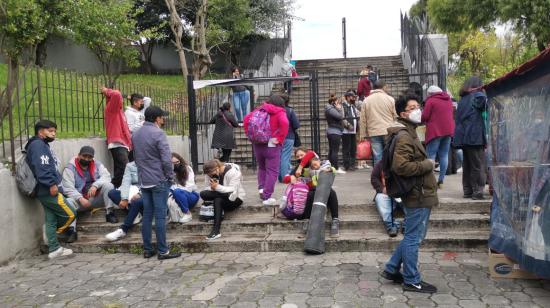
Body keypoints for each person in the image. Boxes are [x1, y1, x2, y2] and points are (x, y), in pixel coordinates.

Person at [380, 94, 439, 293]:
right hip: (417, 193)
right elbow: (401, 166)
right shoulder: (405, 135)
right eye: (412, 107)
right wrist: (427, 164)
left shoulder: (410, 131)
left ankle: (391, 268)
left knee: (412, 236)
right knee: (414, 237)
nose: (417, 110)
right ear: (403, 113)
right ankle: (411, 279)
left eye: (418, 106)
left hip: (418, 191)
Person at [132, 105, 181, 260]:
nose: (163, 119)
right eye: (162, 117)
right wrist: (170, 176)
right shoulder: (158, 133)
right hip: (159, 179)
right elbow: (166, 159)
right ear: (157, 118)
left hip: (144, 180)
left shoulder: (136, 134)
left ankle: (147, 249)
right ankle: (163, 251)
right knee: (160, 216)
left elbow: (137, 157)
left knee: (147, 215)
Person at [26, 120, 77, 259]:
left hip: (46, 189)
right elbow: (42, 168)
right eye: (50, 131)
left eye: (54, 131)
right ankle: (50, 234)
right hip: (47, 189)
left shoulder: (42, 144)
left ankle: (54, 248)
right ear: (40, 131)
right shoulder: (38, 145)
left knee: (51, 218)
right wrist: (51, 184)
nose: (53, 134)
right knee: (71, 213)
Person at [244, 95, 289, 206]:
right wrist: (280, 139)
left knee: (262, 167)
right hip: (272, 144)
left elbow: (246, 120)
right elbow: (285, 123)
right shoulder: (280, 112)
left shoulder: (259, 109)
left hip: (258, 144)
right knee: (272, 171)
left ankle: (261, 189)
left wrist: (250, 135)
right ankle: (267, 196)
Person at [284, 152, 340, 237]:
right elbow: (285, 178)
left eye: (302, 155)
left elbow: (333, 169)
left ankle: (335, 220)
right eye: (298, 156)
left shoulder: (324, 165)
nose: (300, 157)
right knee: (310, 194)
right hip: (313, 192)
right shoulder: (306, 170)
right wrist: (293, 178)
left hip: (325, 190)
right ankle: (307, 221)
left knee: (332, 192)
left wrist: (330, 170)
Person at [62, 145, 118, 223]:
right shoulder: (70, 168)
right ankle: (71, 229)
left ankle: (110, 213)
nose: (86, 159)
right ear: (78, 155)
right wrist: (80, 198)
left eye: (89, 157)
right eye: (84, 156)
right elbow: (68, 188)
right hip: (79, 201)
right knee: (68, 202)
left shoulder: (97, 164)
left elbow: (107, 176)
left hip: (95, 199)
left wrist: (95, 185)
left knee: (109, 186)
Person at [453, 76, 488, 200]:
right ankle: (478, 191)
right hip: (474, 136)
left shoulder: (463, 99)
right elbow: (488, 104)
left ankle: (467, 190)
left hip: (463, 137)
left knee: (467, 164)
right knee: (478, 165)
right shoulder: (478, 96)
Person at [200, 159, 246, 240]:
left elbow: (233, 190)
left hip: (235, 197)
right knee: (203, 194)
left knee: (218, 200)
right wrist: (212, 187)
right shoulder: (209, 174)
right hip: (222, 195)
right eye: (208, 175)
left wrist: (217, 187)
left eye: (211, 174)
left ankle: (216, 231)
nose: (210, 176)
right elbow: (206, 188)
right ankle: (216, 232)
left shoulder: (233, 172)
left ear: (217, 168)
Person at [421, 86, 455, 188]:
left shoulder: (431, 101)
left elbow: (424, 117)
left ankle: (430, 181)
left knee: (431, 155)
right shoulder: (448, 99)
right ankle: (441, 180)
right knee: (444, 155)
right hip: (448, 130)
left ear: (430, 94)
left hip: (435, 131)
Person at [104, 160, 144, 241]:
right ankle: (135, 213)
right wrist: (125, 198)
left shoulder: (154, 163)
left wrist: (140, 194)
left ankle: (123, 229)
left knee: (137, 201)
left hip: (146, 193)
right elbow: (125, 183)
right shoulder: (130, 165)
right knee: (112, 193)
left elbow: (155, 183)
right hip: (131, 193)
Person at [360, 80, 398, 165]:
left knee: (378, 156)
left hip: (373, 131)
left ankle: (379, 175)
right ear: (384, 87)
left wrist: (362, 134)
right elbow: (395, 116)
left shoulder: (366, 100)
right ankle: (389, 174)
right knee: (389, 154)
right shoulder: (390, 99)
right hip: (388, 130)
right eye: (386, 87)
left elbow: (362, 119)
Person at [102, 87, 132, 189]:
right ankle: (113, 187)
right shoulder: (111, 109)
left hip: (125, 145)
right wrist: (106, 91)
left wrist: (129, 144)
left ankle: (118, 190)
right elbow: (116, 94)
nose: (121, 100)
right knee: (124, 168)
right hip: (117, 143)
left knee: (123, 169)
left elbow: (126, 131)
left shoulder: (120, 112)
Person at [371, 161, 402, 237]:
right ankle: (391, 226)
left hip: (402, 192)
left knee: (413, 201)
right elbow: (374, 178)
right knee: (379, 199)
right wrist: (382, 189)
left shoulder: (405, 163)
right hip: (386, 193)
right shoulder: (381, 164)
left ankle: (407, 225)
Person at [170, 152, 198, 223]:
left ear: (180, 160)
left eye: (177, 162)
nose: (175, 165)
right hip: (174, 197)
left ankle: (187, 213)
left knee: (177, 191)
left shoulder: (187, 169)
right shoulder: (167, 171)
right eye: (172, 163)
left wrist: (174, 188)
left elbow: (190, 187)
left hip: (190, 195)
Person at [279, 94, 300, 182]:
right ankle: (284, 177)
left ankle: (281, 174)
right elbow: (296, 125)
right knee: (285, 157)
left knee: (280, 156)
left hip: (278, 136)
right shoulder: (290, 111)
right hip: (289, 136)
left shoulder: (277, 111)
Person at [325, 94, 346, 174]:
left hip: (333, 131)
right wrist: (340, 109)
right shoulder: (331, 109)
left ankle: (330, 166)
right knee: (334, 151)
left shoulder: (330, 109)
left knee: (332, 150)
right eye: (337, 102)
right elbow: (340, 117)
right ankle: (335, 168)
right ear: (333, 102)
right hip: (334, 131)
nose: (338, 103)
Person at [342, 90, 359, 171]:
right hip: (346, 131)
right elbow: (342, 118)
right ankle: (347, 165)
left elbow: (357, 114)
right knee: (346, 148)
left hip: (353, 131)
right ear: (348, 98)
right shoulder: (343, 106)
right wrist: (348, 125)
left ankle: (352, 164)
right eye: (352, 97)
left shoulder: (353, 106)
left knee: (353, 148)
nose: (354, 98)